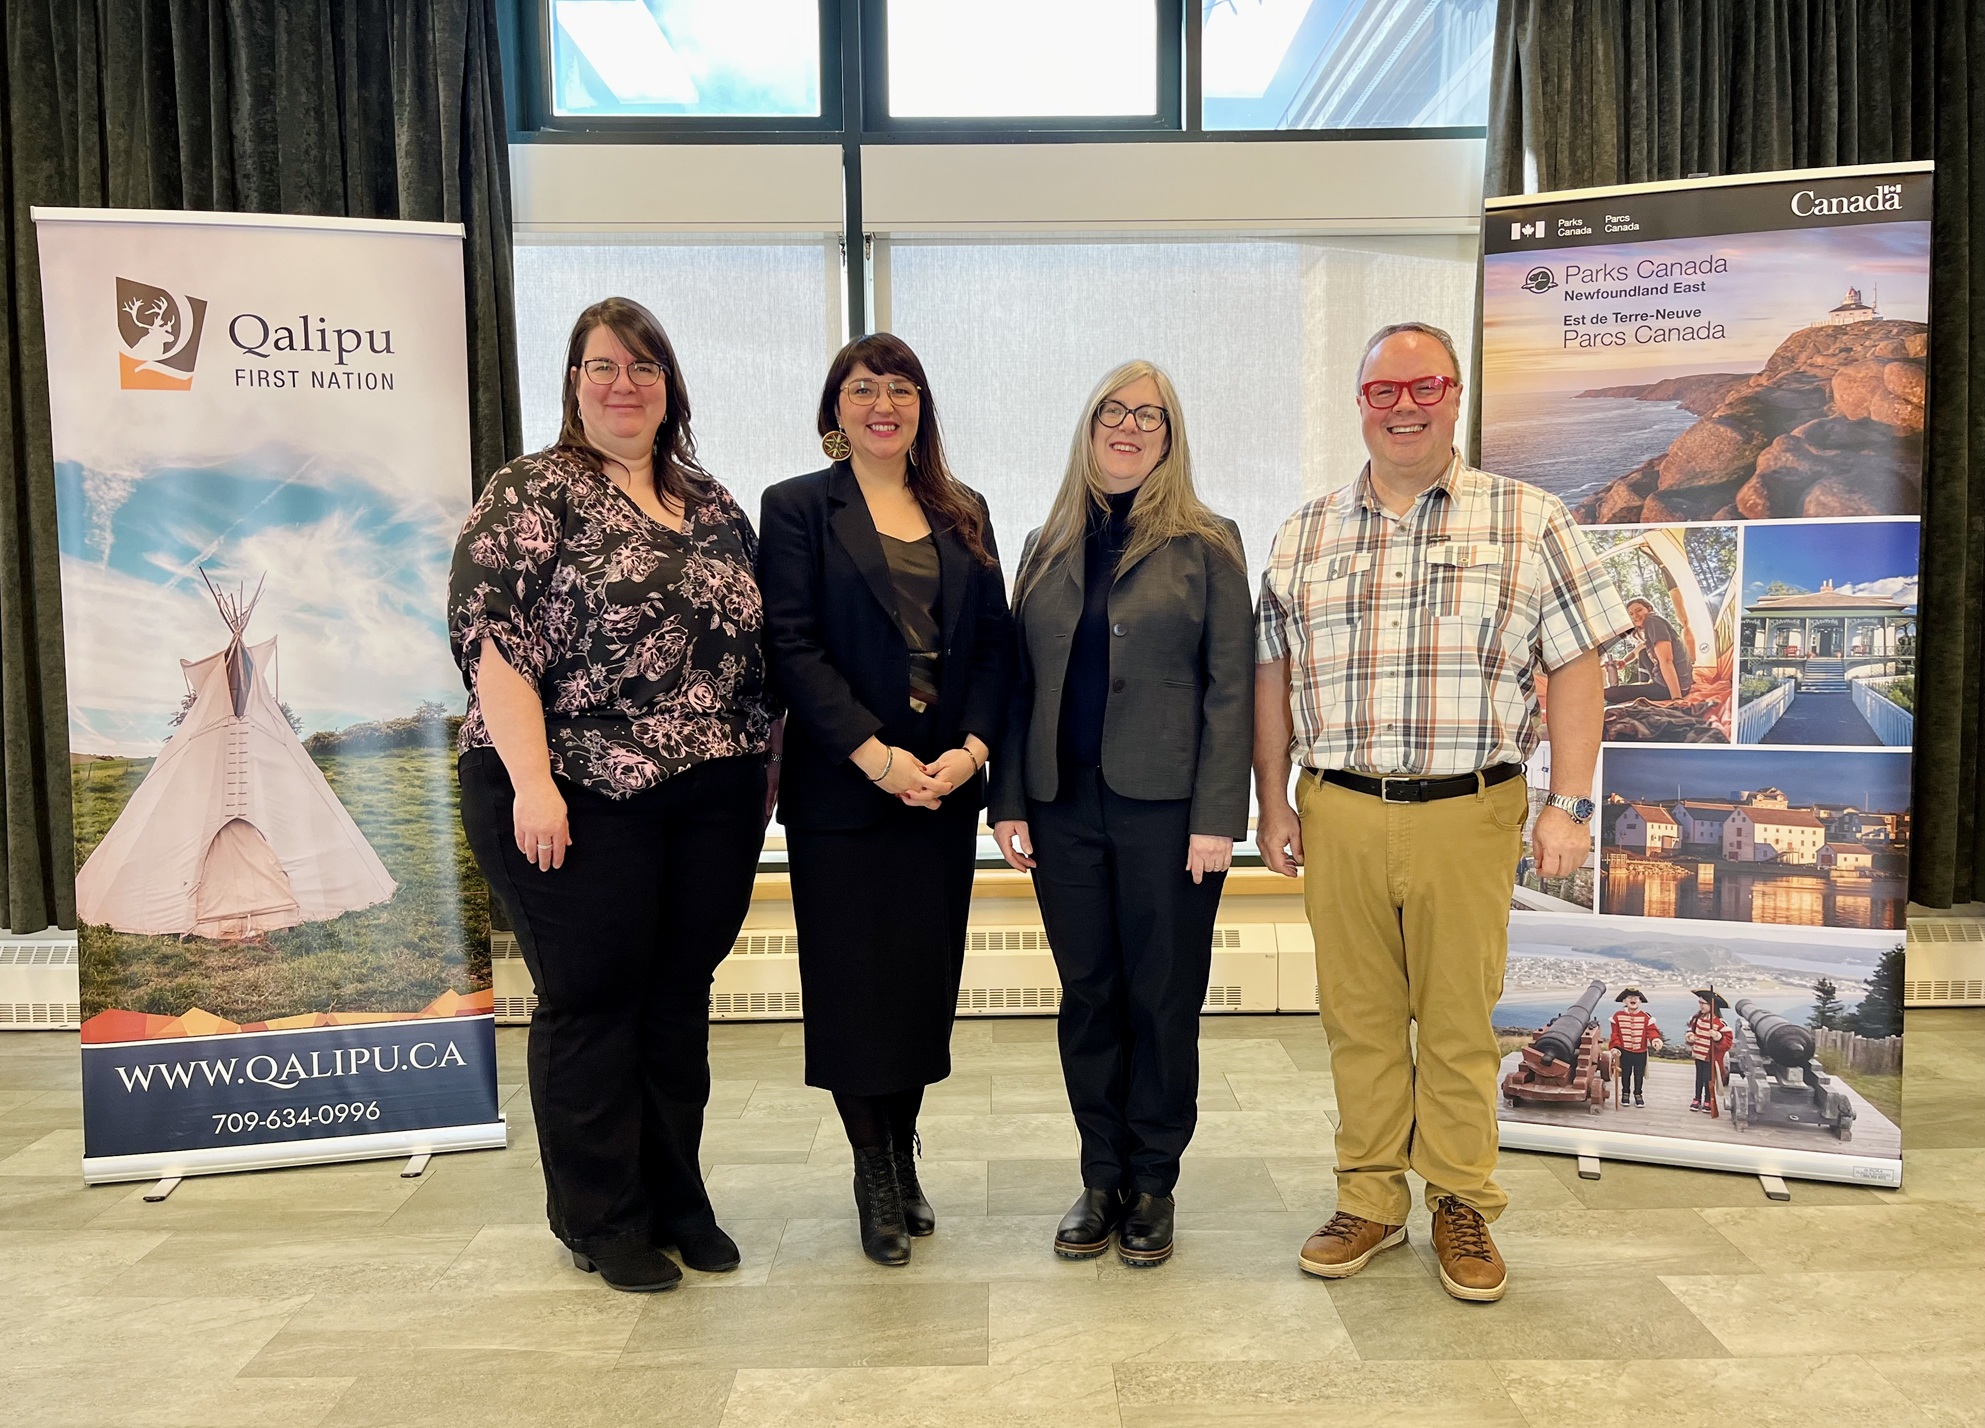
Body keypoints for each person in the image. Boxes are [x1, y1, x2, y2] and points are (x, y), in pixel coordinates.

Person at [1253, 321, 1629, 1304]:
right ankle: (1369, 1201)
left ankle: (1460, 1201)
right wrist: (1270, 800)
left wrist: (1570, 804)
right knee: (1359, 1023)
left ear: (1454, 395)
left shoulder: (1528, 518)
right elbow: (1271, 679)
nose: (1405, 405)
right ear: (1360, 403)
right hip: (1334, 808)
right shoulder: (1303, 532)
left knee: (1459, 1025)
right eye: (1384, 391)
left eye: (1425, 386)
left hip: (1470, 812)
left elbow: (1577, 671)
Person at [450, 297, 777, 1293]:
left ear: (668, 384)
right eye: (602, 368)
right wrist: (533, 783)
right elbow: (490, 642)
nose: (623, 384)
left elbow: (755, 655)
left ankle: (678, 1200)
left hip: (713, 794)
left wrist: (763, 776)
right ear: (574, 384)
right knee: (593, 1002)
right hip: (576, 790)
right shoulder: (530, 493)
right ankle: (601, 1218)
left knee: (676, 1001)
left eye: (642, 368)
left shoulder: (713, 502)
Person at [989, 361, 1252, 1268]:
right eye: (1114, 411)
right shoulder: (1043, 543)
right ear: (1089, 426)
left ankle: (1153, 1181)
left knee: (1162, 996)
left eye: (1150, 416)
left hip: (1170, 812)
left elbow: (1230, 690)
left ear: (1171, 437)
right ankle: (1099, 1176)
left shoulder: (1208, 542)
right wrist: (1009, 799)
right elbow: (1018, 683)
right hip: (1064, 808)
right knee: (1089, 995)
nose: (1129, 426)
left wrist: (1219, 815)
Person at [757, 333, 1011, 1267]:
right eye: (864, 388)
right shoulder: (795, 509)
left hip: (941, 795)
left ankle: (903, 1154)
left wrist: (971, 750)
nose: (883, 403)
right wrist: (875, 756)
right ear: (836, 410)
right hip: (845, 794)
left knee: (915, 986)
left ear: (921, 408)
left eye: (901, 388)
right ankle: (871, 1169)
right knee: (851, 987)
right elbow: (791, 648)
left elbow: (992, 647)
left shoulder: (962, 509)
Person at [1605, 598, 1692, 703]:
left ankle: (1650, 688)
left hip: (1673, 687)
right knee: (1643, 653)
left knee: (1610, 694)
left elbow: (1667, 660)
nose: (1635, 616)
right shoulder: (1652, 625)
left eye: (1639, 610)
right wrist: (1624, 661)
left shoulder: (1653, 621)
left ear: (1649, 609)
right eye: (1631, 614)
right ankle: (1645, 685)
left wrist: (1677, 698)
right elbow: (1638, 650)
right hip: (1676, 683)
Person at [1608, 987, 1665, 1108]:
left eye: (1636, 998)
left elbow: (1652, 1031)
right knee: (1625, 1074)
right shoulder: (1617, 1016)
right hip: (1624, 1052)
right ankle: (1625, 1093)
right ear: (1624, 1001)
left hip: (1640, 1053)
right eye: (1630, 997)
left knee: (1639, 1075)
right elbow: (1615, 1034)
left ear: (1640, 1001)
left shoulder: (1646, 1017)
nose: (1633, 999)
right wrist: (1615, 1047)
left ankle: (1638, 1094)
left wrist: (1655, 1040)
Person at [1685, 990, 1733, 1113]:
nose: (1701, 1006)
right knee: (1699, 1078)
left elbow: (1727, 1043)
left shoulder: (1720, 1023)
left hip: (1711, 1058)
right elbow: (1690, 1030)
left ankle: (1708, 1100)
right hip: (1699, 1055)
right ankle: (1697, 1098)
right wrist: (1690, 1037)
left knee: (1708, 1080)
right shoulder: (1696, 1019)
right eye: (1700, 1002)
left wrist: (1718, 1037)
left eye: (1704, 1003)